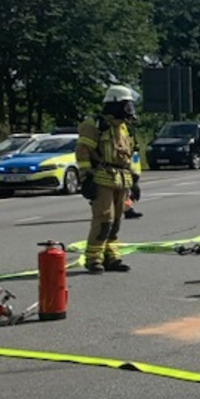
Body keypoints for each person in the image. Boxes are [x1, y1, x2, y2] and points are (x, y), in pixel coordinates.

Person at [77, 85, 142, 274]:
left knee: (116, 221)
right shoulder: (94, 126)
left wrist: (135, 180)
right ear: (115, 104)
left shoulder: (123, 128)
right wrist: (86, 177)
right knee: (104, 219)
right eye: (127, 106)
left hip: (122, 179)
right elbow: (83, 152)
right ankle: (94, 258)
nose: (130, 110)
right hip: (101, 178)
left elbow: (130, 156)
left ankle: (111, 257)